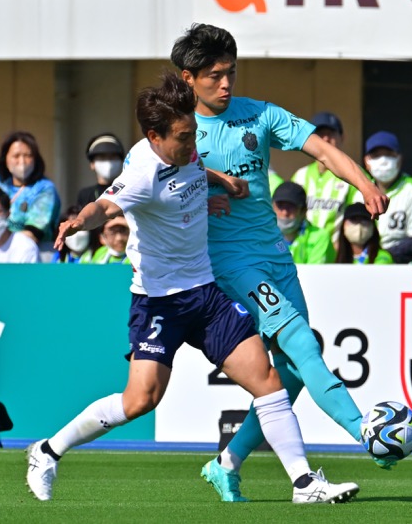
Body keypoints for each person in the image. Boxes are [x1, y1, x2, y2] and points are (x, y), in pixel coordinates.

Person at [25, 73, 359, 505]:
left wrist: (220, 186)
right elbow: (105, 205)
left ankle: (303, 483)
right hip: (159, 302)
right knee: (140, 400)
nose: (192, 144)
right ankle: (47, 452)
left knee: (268, 380)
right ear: (154, 137)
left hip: (205, 295)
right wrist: (78, 221)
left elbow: (193, 171)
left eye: (193, 134)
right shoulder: (141, 171)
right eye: (183, 138)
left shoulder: (187, 148)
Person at [171, 23, 390, 502]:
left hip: (275, 255)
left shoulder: (259, 114)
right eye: (214, 75)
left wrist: (365, 184)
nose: (226, 84)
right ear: (188, 79)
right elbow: (152, 192)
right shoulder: (176, 132)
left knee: (291, 370)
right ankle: (366, 433)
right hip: (229, 262)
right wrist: (199, 196)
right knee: (300, 344)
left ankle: (226, 462)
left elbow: (323, 150)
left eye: (231, 73)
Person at [0, 131, 61, 255]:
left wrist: (2, 249)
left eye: (28, 155)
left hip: (37, 252)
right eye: (16, 156)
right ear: (5, 159)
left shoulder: (45, 188)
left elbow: (33, 233)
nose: (22, 161)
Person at [358, 131, 412, 262]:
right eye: (376, 155)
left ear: (399, 158)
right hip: (363, 263)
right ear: (366, 161)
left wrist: (385, 257)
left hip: (403, 266)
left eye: (388, 155)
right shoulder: (358, 191)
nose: (382, 161)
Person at [291, 111, 360, 242]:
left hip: (338, 256)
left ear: (342, 137)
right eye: (320, 135)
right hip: (305, 254)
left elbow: (359, 220)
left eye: (331, 134)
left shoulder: (352, 174)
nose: (326, 139)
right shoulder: (300, 175)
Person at [272, 182, 335, 264]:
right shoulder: (263, 236)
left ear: (303, 211)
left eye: (291, 206)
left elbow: (314, 274)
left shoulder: (319, 236)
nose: (285, 213)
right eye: (280, 206)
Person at [77, 133, 126, 208]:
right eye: (102, 158)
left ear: (121, 162)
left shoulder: (129, 191)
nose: (108, 162)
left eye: (113, 157)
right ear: (92, 164)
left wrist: (122, 220)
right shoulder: (85, 194)